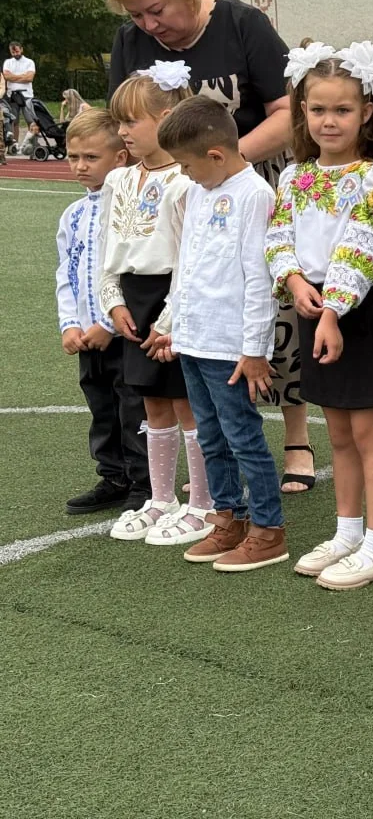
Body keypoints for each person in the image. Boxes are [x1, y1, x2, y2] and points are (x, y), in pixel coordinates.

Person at [105, 0, 315, 494]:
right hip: (178, 193)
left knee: (271, 306)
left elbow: (288, 113)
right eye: (137, 16)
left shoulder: (243, 24)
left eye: (157, 10)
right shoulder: (131, 42)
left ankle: (296, 437)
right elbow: (121, 117)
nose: (150, 25)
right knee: (195, 303)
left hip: (249, 179)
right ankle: (213, 448)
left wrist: (224, 163)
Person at [266, 42, 373, 591]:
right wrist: (295, 282)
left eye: (342, 110)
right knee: (339, 433)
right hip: (312, 306)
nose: (329, 120)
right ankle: (348, 533)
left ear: (366, 112)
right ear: (302, 110)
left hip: (355, 311)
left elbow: (362, 248)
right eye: (318, 109)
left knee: (368, 433)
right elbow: (278, 237)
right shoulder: (292, 176)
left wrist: (332, 312)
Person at [156, 96, 286, 571]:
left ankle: (268, 529)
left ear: (215, 155)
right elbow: (187, 264)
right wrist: (171, 322)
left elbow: (259, 278)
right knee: (210, 437)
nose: (184, 173)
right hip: (194, 339)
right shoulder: (197, 192)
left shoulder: (254, 195)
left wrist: (254, 349)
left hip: (230, 346)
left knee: (242, 437)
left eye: (187, 165)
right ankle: (229, 517)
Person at [98, 63, 209, 544]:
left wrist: (170, 318)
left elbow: (189, 257)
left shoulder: (185, 183)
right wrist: (112, 300)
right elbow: (107, 247)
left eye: (131, 121)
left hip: (173, 300)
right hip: (133, 300)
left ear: (166, 118)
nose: (122, 131)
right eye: (118, 122)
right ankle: (162, 499)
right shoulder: (118, 180)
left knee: (187, 406)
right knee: (152, 405)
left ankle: (203, 503)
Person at [57, 110, 150, 516]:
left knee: (133, 408)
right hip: (86, 337)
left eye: (91, 157)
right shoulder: (73, 214)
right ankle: (113, 475)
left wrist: (108, 324)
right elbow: (66, 273)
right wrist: (70, 324)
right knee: (101, 408)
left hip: (124, 333)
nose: (80, 166)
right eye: (73, 157)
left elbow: (134, 272)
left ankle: (144, 483)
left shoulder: (128, 208)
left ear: (120, 157)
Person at [3, 42, 37, 137]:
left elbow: (29, 78)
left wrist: (13, 77)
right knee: (14, 122)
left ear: (21, 49)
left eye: (17, 51)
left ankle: (32, 143)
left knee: (31, 121)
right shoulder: (8, 62)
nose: (15, 54)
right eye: (13, 52)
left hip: (27, 95)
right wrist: (23, 76)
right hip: (12, 95)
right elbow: (7, 76)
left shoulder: (29, 62)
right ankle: (15, 144)